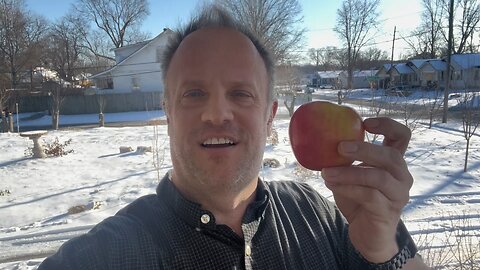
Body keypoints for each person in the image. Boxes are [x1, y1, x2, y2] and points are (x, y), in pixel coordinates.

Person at [39, 5, 431, 270]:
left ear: (269, 116)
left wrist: (384, 247)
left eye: (241, 93)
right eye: (193, 93)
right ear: (168, 112)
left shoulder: (319, 216)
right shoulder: (105, 256)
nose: (217, 113)